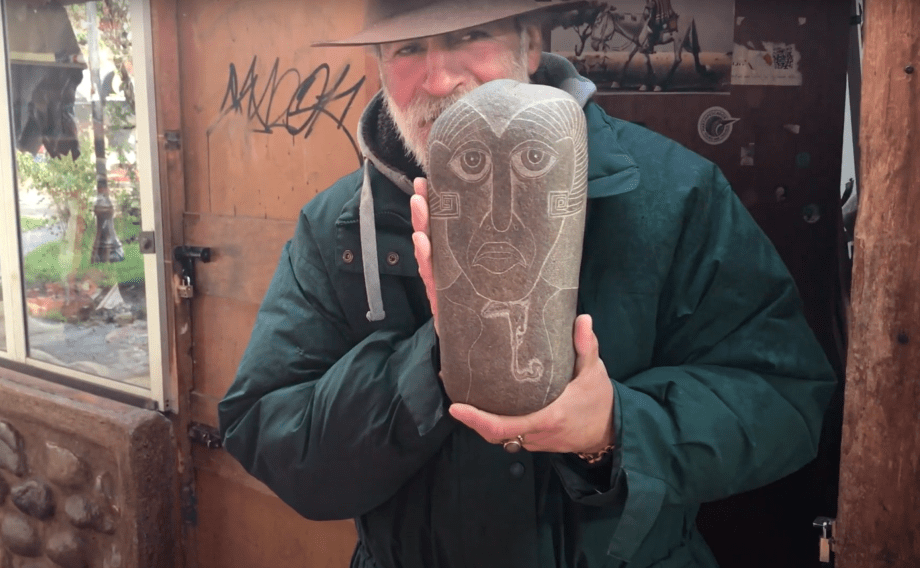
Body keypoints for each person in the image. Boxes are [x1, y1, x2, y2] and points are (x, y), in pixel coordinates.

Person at [218, 1, 836, 566]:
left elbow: (784, 399)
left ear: (531, 44)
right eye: (407, 49)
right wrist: (434, 362)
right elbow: (269, 435)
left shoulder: (670, 193)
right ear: (379, 66)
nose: (439, 79)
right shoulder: (338, 227)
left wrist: (616, 428)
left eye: (469, 36)